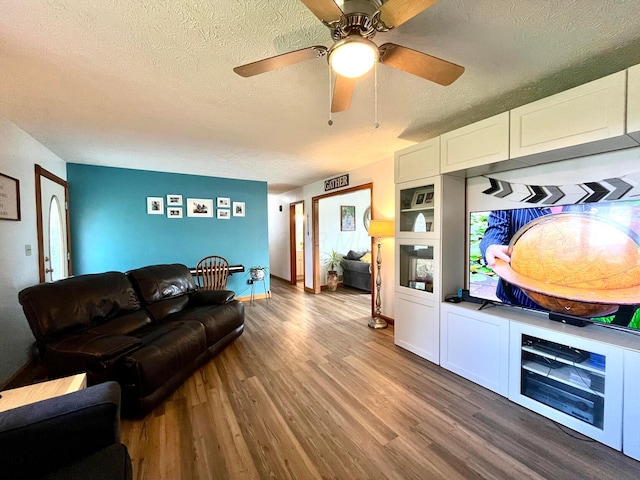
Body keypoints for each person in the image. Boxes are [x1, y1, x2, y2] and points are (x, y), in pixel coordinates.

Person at [479, 207, 552, 310]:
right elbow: (493, 234)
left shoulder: (582, 205)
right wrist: (490, 247)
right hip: (518, 298)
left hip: (576, 304)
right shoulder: (508, 202)